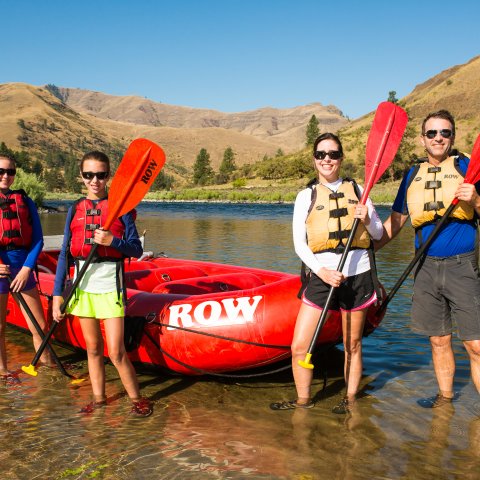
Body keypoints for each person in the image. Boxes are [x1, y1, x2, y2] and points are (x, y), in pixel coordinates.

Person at [270, 133, 384, 414]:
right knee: (299, 346)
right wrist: (321, 271)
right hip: (322, 276)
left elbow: (378, 233)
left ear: (341, 158)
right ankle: (303, 402)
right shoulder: (305, 196)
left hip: (358, 275)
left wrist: (367, 218)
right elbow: (299, 243)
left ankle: (349, 399)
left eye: (333, 154)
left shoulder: (360, 190)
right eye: (321, 154)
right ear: (314, 160)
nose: (327, 160)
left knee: (352, 344)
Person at [375, 110, 480, 408]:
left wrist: (474, 199)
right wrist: (367, 252)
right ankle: (445, 403)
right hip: (425, 268)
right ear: (423, 139)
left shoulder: (467, 167)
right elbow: (395, 223)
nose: (438, 138)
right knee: (438, 340)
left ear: (453, 136)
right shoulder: (411, 174)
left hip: (463, 266)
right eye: (432, 133)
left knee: (475, 344)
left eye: (444, 133)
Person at [52, 151, 152, 417]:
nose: (94, 180)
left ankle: (135, 399)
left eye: (100, 175)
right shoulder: (75, 208)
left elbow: (133, 250)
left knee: (117, 352)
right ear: (81, 177)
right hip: (82, 288)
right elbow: (64, 253)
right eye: (89, 175)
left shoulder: (123, 210)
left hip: (110, 288)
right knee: (93, 349)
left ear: (108, 176)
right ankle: (99, 401)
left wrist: (112, 242)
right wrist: (56, 296)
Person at [0, 154, 54, 382]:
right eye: (1, 171)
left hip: (22, 265)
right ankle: (3, 371)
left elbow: (38, 239)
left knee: (39, 325)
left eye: (10, 171)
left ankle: (48, 368)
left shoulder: (26, 201)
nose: (5, 176)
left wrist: (27, 268)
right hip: (0, 269)